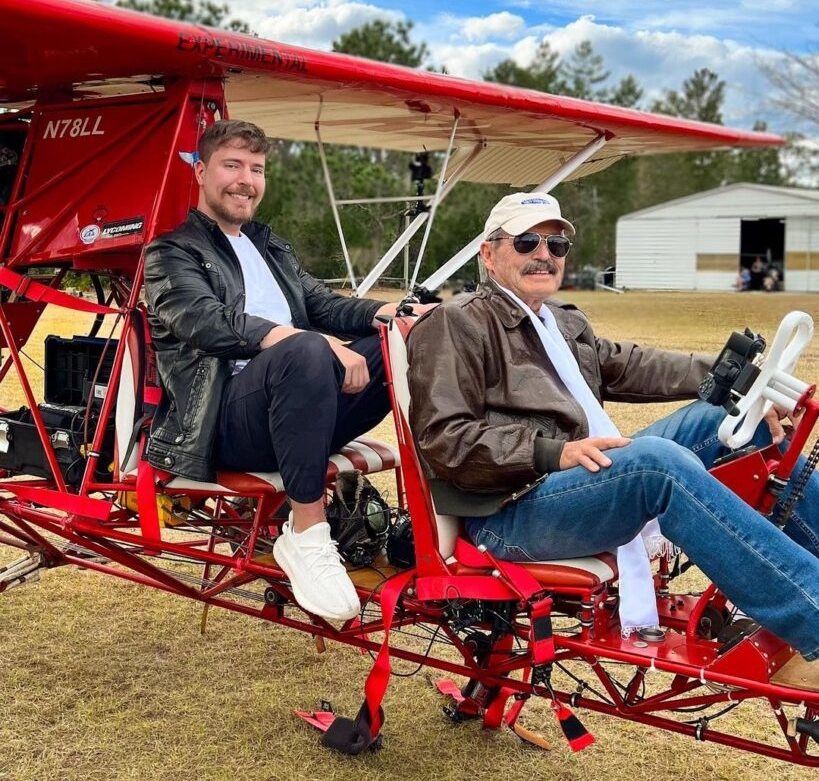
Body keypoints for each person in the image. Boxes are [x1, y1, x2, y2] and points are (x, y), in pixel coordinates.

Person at [406, 192, 819, 679]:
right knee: (654, 466)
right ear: (488, 253)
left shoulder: (561, 321)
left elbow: (632, 363)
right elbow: (445, 440)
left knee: (721, 422)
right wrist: (552, 453)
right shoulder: (456, 323)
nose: (544, 254)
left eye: (556, 245)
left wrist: (738, 380)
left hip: (575, 482)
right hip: (509, 511)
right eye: (526, 241)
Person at [144, 120, 429, 621]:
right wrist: (307, 341)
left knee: (403, 343)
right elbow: (204, 321)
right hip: (223, 422)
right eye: (231, 165)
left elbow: (321, 303)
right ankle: (307, 533)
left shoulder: (268, 246)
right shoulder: (171, 253)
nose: (245, 180)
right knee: (305, 350)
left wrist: (394, 315)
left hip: (298, 412)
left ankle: (444, 509)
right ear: (201, 170)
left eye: (256, 169)